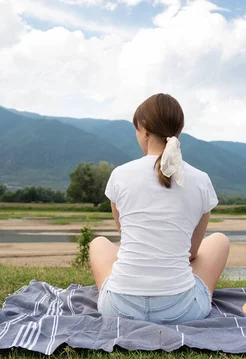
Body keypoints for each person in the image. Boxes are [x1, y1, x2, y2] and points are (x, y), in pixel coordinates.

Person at [89, 93, 230, 324]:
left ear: (144, 129)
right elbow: (192, 254)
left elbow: (126, 238)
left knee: (98, 244)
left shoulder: (119, 175)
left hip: (118, 308)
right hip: (182, 311)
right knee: (220, 241)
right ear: (178, 130)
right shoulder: (200, 179)